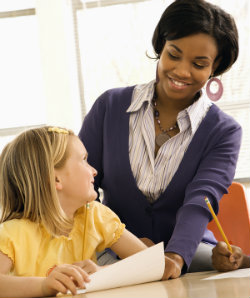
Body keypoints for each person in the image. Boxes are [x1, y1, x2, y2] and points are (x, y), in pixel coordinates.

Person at [79, 0, 242, 276]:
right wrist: (125, 244)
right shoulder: (109, 107)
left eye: (199, 64)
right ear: (160, 47)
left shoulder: (224, 131)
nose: (181, 71)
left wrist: (175, 257)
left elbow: (200, 199)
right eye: (173, 55)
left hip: (188, 252)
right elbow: (80, 189)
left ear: (214, 68)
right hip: (110, 249)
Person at [0, 126, 172, 298]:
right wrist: (44, 286)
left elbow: (155, 266)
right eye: (84, 160)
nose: (94, 170)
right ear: (55, 179)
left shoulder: (94, 216)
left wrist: (101, 272)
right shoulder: (11, 233)